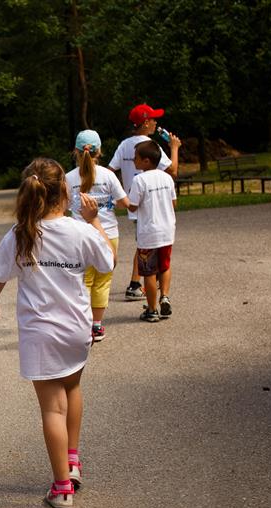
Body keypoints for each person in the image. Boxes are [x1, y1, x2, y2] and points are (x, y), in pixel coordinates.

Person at [0, 158, 115, 508]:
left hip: (40, 333)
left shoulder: (21, 232)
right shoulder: (80, 230)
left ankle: (61, 487)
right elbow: (107, 263)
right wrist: (94, 220)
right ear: (65, 193)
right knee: (72, 388)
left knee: (52, 409)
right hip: (76, 328)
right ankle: (72, 462)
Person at [108, 103, 181, 301]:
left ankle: (135, 282)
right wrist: (174, 148)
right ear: (146, 122)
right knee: (148, 249)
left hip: (135, 203)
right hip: (153, 203)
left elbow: (111, 170)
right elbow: (172, 171)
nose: (156, 123)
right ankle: (136, 285)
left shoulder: (124, 145)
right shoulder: (151, 146)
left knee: (144, 245)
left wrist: (118, 192)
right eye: (153, 119)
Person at [65, 130, 130, 342]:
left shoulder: (68, 178)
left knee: (82, 281)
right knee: (103, 281)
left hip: (78, 236)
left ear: (75, 151)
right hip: (108, 233)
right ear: (99, 151)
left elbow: (64, 206)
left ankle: (81, 323)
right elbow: (123, 202)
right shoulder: (108, 175)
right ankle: (97, 326)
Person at [127, 141, 178, 323]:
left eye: (136, 158)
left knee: (148, 272)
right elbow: (174, 203)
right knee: (164, 266)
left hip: (148, 232)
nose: (133, 161)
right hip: (167, 230)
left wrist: (121, 202)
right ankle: (165, 296)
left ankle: (152, 309)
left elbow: (132, 207)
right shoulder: (167, 178)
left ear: (146, 161)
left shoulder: (139, 180)